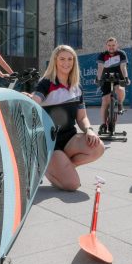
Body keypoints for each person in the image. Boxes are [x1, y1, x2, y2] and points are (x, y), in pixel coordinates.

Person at [29, 45, 104, 191]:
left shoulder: (77, 87)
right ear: (55, 61)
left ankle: (63, 166)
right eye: (62, 59)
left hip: (69, 138)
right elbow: (36, 99)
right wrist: (31, 98)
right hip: (50, 143)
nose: (66, 63)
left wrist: (89, 130)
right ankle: (49, 166)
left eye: (70, 59)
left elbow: (82, 117)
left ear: (74, 62)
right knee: (72, 185)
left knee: (98, 147)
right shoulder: (46, 83)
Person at [96, 37, 130, 133]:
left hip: (118, 77)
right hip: (105, 78)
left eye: (113, 45)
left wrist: (126, 78)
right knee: (105, 101)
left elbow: (123, 67)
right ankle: (103, 124)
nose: (111, 47)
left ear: (117, 45)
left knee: (119, 89)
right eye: (109, 45)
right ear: (106, 46)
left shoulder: (121, 54)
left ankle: (120, 104)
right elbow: (100, 68)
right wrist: (98, 79)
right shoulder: (102, 55)